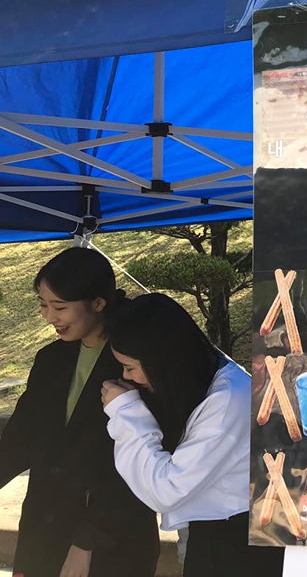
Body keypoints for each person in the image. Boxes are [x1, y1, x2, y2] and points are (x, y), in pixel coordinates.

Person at [0, 247, 159, 577]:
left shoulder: (138, 364)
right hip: (44, 531)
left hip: (111, 536)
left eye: (60, 307)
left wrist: (88, 542)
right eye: (43, 305)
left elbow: (142, 462)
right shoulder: (50, 359)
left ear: (98, 303)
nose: (49, 317)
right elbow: (20, 438)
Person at [99, 293, 284, 577]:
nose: (127, 377)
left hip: (235, 544)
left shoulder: (226, 401)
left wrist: (126, 412)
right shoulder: (205, 376)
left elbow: (166, 490)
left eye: (130, 367)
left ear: (162, 360)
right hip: (220, 533)